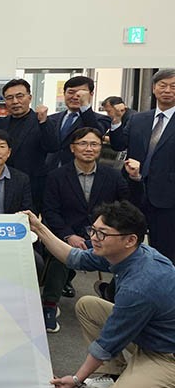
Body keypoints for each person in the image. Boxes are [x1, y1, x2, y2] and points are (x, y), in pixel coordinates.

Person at [26, 201, 175, 388]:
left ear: (130, 240)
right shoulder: (128, 253)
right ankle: (117, 374)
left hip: (166, 355)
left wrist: (76, 379)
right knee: (88, 306)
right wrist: (38, 227)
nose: (94, 238)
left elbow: (108, 342)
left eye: (102, 234)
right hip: (150, 335)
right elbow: (73, 257)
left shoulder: (140, 285)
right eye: (93, 230)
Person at [42, 127, 136, 328]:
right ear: (72, 148)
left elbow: (128, 205)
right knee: (60, 254)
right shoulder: (56, 176)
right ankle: (49, 305)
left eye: (94, 144)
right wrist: (68, 235)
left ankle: (115, 298)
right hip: (70, 234)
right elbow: (50, 211)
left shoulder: (113, 176)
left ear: (100, 148)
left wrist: (135, 179)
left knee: (131, 255)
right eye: (83, 144)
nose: (89, 148)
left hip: (105, 236)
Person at [118, 68, 175, 263]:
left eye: (173, 86)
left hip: (168, 198)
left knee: (165, 251)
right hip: (135, 192)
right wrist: (116, 121)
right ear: (153, 88)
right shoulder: (138, 119)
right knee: (128, 248)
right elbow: (119, 144)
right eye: (162, 85)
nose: (167, 90)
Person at [0, 78, 57, 213]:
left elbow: (52, 146)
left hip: (33, 185)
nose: (15, 101)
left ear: (30, 97)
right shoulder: (0, 125)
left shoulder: (42, 122)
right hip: (4, 184)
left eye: (20, 96)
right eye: (9, 98)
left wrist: (44, 122)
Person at [46, 75, 111, 170]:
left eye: (81, 93)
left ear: (91, 94)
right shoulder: (52, 119)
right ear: (64, 93)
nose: (75, 96)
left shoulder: (101, 119)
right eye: (71, 92)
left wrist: (85, 105)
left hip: (80, 171)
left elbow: (96, 133)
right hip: (51, 170)